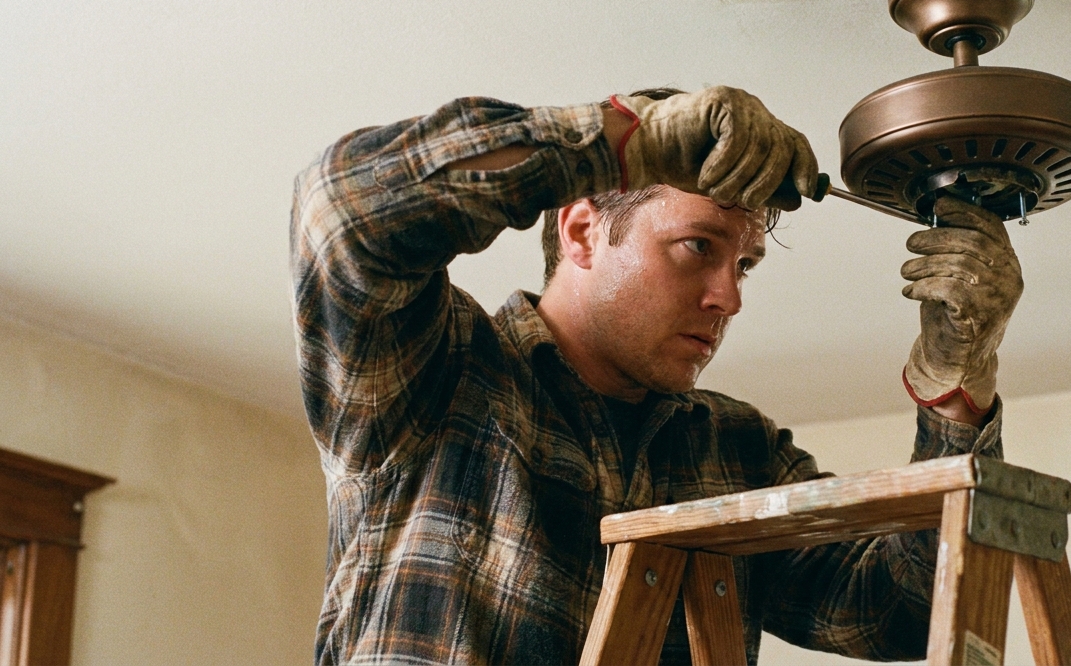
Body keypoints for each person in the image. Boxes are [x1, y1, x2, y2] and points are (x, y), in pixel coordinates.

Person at [290, 86, 1022, 665]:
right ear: (581, 231)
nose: (729, 297)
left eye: (743, 265)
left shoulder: (739, 450)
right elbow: (343, 210)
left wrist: (958, 384)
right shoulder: (435, 367)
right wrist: (627, 140)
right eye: (697, 246)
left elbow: (901, 613)